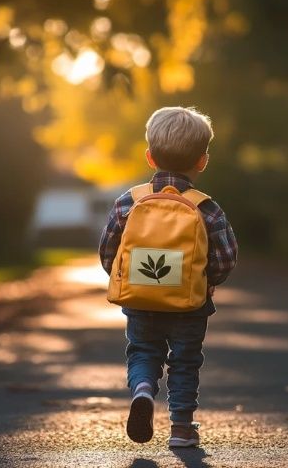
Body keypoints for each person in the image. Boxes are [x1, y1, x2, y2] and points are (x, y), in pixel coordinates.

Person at [99, 106, 238, 447]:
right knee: (185, 362)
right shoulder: (206, 207)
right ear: (202, 161)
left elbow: (108, 250)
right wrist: (207, 282)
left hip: (140, 300)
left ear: (150, 157)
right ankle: (181, 429)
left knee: (143, 352)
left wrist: (125, 279)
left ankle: (143, 391)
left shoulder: (129, 201)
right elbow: (226, 257)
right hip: (189, 303)